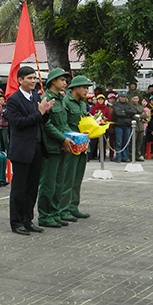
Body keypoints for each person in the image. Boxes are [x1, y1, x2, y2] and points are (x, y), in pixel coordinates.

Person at [5, 66, 53, 235]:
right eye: (29, 78)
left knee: (32, 188)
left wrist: (45, 112)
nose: (33, 81)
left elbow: (40, 121)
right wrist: (39, 114)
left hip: (37, 149)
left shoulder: (36, 97)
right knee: (19, 188)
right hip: (22, 150)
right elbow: (18, 123)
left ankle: (28, 219)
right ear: (20, 80)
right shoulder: (13, 100)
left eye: (34, 78)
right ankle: (16, 222)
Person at [39, 68, 73, 228]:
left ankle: (55, 212)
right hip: (51, 147)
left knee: (59, 182)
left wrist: (71, 138)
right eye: (62, 80)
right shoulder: (46, 98)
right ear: (53, 81)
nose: (65, 83)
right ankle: (45, 215)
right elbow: (46, 124)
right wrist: (62, 138)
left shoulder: (60, 99)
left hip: (62, 146)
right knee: (48, 183)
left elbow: (63, 124)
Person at [63, 76, 94, 219]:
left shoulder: (82, 103)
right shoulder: (66, 102)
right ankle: (64, 208)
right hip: (70, 144)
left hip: (82, 144)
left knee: (78, 177)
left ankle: (73, 206)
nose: (86, 90)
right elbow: (63, 124)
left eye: (87, 88)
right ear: (75, 88)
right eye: (84, 87)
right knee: (68, 177)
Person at [112, 91, 133, 163]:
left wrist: (125, 112)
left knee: (127, 142)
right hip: (119, 125)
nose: (123, 98)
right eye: (121, 97)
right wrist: (128, 114)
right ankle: (118, 157)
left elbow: (133, 112)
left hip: (127, 125)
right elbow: (118, 113)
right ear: (119, 97)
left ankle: (125, 157)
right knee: (118, 142)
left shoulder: (129, 105)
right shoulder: (115, 105)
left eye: (124, 97)